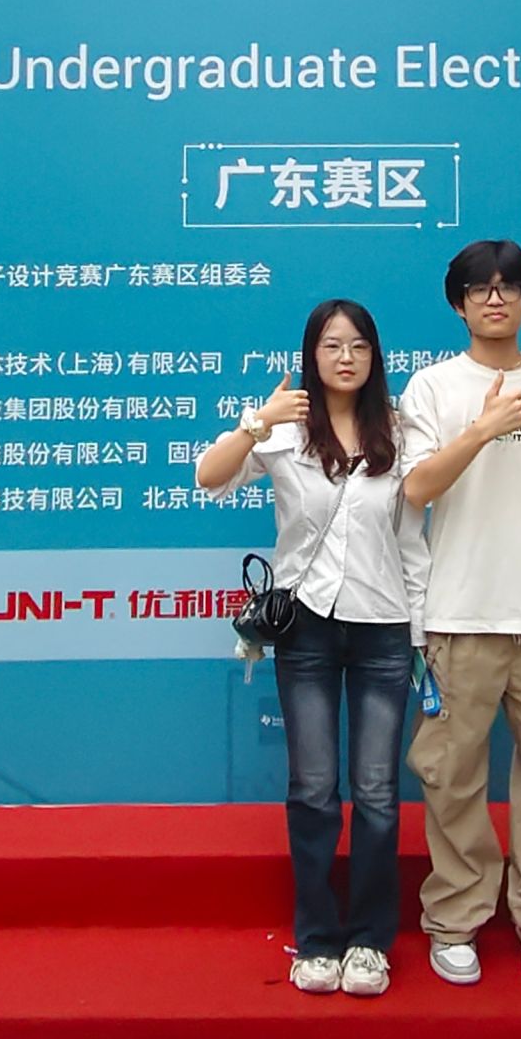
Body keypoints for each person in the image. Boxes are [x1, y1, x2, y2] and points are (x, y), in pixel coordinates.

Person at [196, 298, 427, 998]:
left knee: (379, 793)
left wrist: (422, 633)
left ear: (375, 356)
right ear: (311, 355)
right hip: (307, 628)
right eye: (332, 345)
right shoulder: (286, 428)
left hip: (384, 625)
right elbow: (209, 475)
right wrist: (257, 421)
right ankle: (319, 939)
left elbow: (411, 541)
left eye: (358, 345)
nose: (345, 357)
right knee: (314, 789)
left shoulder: (401, 430)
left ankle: (370, 942)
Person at [397, 240, 521, 989]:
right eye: (479, 288)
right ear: (458, 303)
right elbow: (417, 488)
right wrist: (481, 429)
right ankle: (457, 916)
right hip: (459, 612)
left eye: (510, 286)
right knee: (452, 776)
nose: (495, 298)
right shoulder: (432, 387)